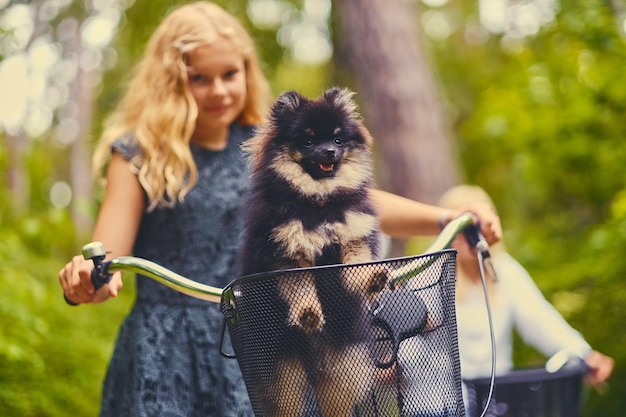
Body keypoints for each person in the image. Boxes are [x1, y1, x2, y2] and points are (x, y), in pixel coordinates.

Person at [58, 3, 501, 416]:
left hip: (263, 331)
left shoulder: (272, 145)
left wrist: (445, 217)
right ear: (172, 82)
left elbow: (352, 204)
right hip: (165, 344)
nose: (218, 89)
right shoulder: (139, 153)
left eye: (230, 73)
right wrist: (89, 279)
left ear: (247, 71)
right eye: (199, 78)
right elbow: (108, 260)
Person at [437, 185, 614, 391]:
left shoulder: (504, 271)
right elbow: (411, 346)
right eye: (462, 227)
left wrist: (583, 353)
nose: (471, 236)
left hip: (494, 402)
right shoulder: (431, 278)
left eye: (476, 227)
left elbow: (540, 319)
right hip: (440, 404)